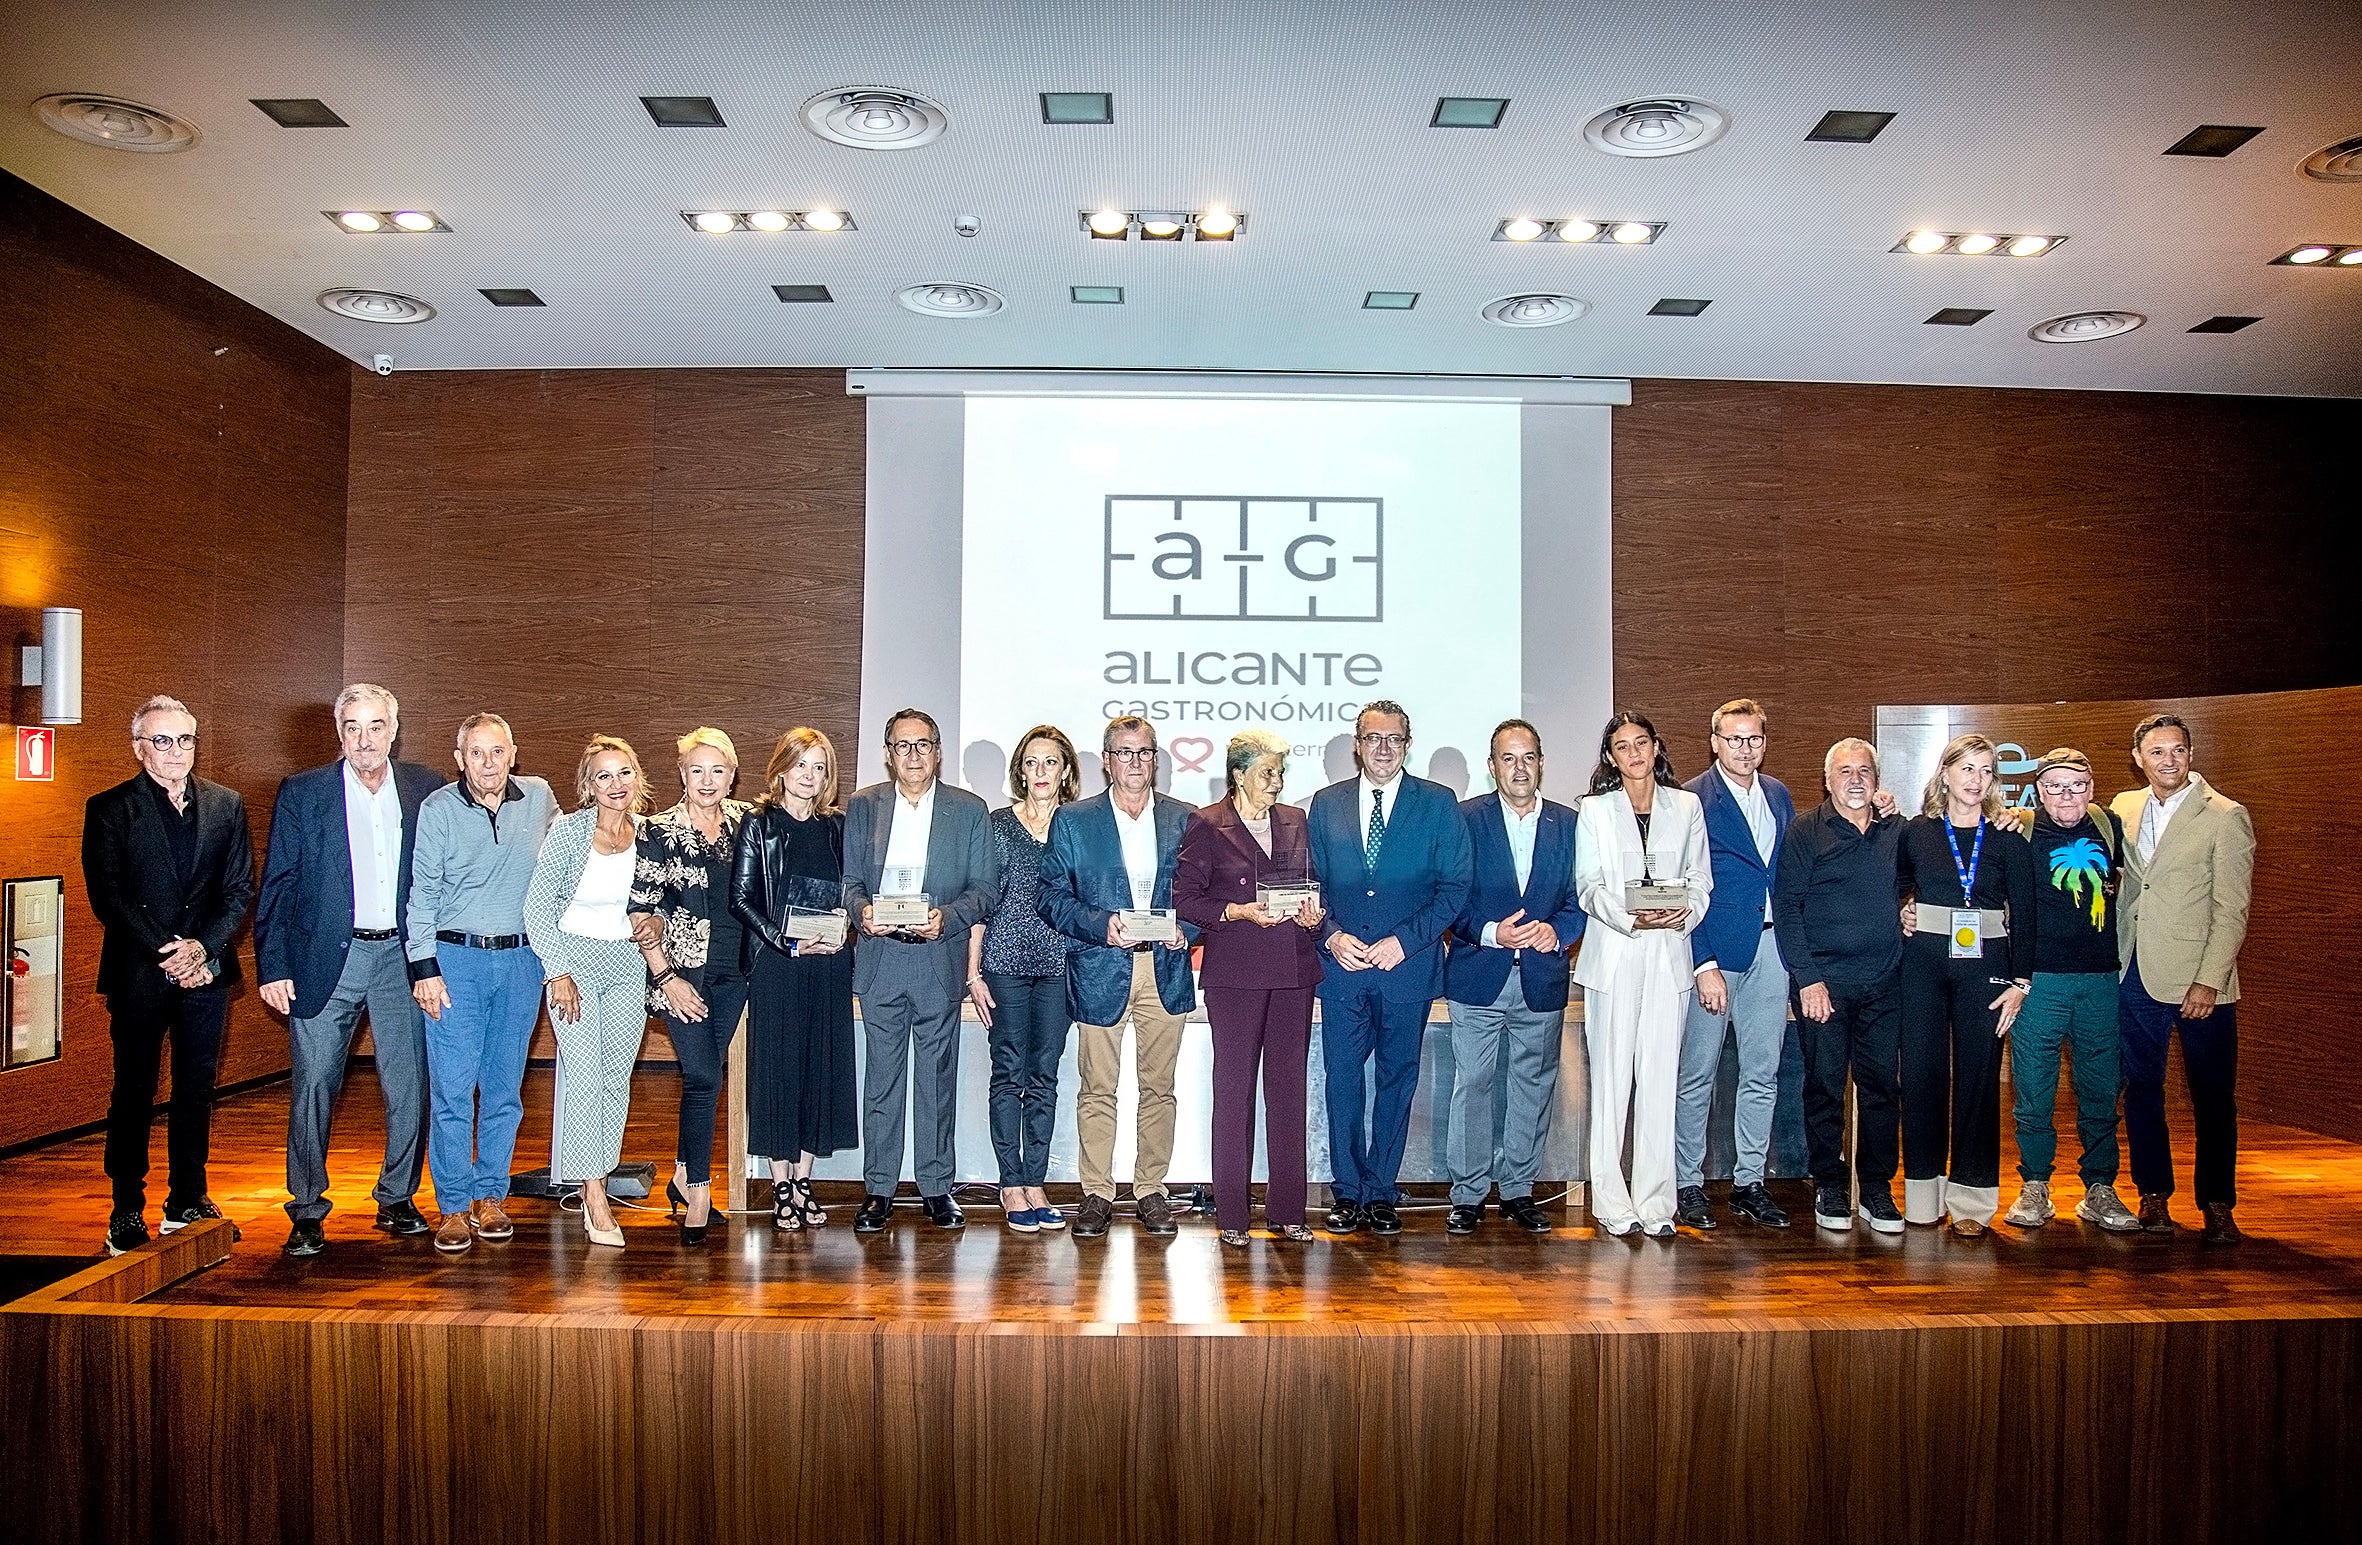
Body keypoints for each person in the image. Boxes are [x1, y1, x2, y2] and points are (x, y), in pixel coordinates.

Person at [254, 683, 444, 1256]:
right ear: (339, 734)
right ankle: (306, 1208)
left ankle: (397, 1197)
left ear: (394, 730)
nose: (365, 739)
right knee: (314, 1083)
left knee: (409, 1084)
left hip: (400, 959)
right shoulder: (303, 792)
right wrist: (273, 964)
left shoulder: (425, 788)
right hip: (323, 959)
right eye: (353, 728)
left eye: (376, 726)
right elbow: (278, 882)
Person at [81, 695, 254, 1256]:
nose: (176, 751)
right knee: (134, 1090)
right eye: (162, 740)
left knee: (196, 1089)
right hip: (139, 973)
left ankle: (186, 1199)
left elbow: (238, 891)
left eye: (185, 740)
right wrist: (170, 952)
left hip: (206, 973)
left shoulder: (226, 804)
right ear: (139, 749)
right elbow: (109, 898)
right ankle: (125, 1208)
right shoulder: (109, 809)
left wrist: (201, 949)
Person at [1307, 701, 1472, 1235]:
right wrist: (1331, 935)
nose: (1383, 748)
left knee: (1398, 1080)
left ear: (1408, 744)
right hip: (1342, 969)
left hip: (1408, 968)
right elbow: (1311, 886)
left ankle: (1380, 1190)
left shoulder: (1438, 803)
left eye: (1393, 739)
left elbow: (1455, 889)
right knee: (1342, 1081)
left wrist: (1405, 942)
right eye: (1373, 738)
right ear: (1358, 745)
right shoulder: (1325, 804)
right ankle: (1347, 1191)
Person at [1038, 716, 1201, 1237]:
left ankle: (1151, 1189)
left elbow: (1206, 894)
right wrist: (1101, 925)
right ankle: (1096, 1192)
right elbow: (1051, 897)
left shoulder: (1185, 819)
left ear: (1156, 760)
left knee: (1160, 1088)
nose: (1135, 762)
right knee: (1096, 1089)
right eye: (1124, 753)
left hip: (1165, 968)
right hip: (1100, 967)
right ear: (1106, 761)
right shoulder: (1073, 820)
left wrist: (1187, 930)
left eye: (1145, 752)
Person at [406, 713, 559, 1254]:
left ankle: (490, 1196)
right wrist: (423, 968)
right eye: (477, 752)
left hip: (521, 963)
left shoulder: (539, 798)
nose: (488, 763)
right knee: (452, 1090)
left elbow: (567, 867)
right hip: (455, 963)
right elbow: (422, 893)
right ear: (460, 759)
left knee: (503, 1090)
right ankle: (452, 1205)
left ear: (513, 754)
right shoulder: (438, 809)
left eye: (497, 752)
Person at [843, 709, 997, 1231]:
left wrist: (946, 919)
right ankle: (879, 1190)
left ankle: (936, 1187)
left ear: (938, 752)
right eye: (903, 745)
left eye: (923, 744)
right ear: (888, 753)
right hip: (882, 958)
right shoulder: (864, 805)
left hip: (937, 957)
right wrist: (862, 912)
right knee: (881, 1082)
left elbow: (984, 890)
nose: (913, 754)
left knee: (936, 1080)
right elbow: (849, 882)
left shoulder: (969, 810)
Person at [1172, 729, 1327, 1246]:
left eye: (1280, 772)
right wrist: (1237, 911)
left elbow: (1312, 886)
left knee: (1289, 1093)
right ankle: (1233, 1216)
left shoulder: (1295, 819)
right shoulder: (1207, 823)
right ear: (1238, 775)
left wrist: (1315, 916)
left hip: (1293, 972)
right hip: (1235, 974)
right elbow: (1185, 900)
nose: (1276, 782)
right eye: (1267, 773)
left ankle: (1289, 1211)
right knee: (1234, 1094)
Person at [2109, 713, 2255, 1243]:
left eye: (2177, 750)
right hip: (2135, 972)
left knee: (2212, 1095)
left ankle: (2217, 1204)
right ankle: (2153, 1195)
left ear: (2190, 754)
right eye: (2157, 751)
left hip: (2201, 980)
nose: (2168, 760)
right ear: (2138, 758)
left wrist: (2209, 980)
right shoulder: (2123, 807)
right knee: (2141, 1090)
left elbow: (2232, 908)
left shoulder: (2226, 815)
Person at [1440, 719, 1585, 1235]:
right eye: (1508, 758)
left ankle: (1519, 1190)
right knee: (1472, 1085)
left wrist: (1557, 931)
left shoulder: (1571, 824)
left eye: (1528, 757)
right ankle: (1468, 1194)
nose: (1519, 768)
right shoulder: (1464, 820)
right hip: (1478, 975)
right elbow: (1448, 897)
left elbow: (1582, 897)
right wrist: (1489, 932)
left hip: (1542, 978)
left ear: (1541, 763)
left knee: (1533, 1086)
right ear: (1492, 766)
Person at [1572, 711, 1711, 1238]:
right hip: (1615, 953)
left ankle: (1656, 1204)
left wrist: (1684, 912)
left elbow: (1701, 878)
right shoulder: (1594, 810)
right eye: (1622, 746)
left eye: (1641, 743)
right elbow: (1588, 885)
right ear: (1611, 758)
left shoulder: (1687, 806)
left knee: (1659, 1082)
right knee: (1610, 1083)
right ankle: (1612, 1202)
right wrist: (1632, 917)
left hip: (1669, 954)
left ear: (1656, 748)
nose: (1633, 753)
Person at [1999, 748, 2143, 1233]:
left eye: (2077, 785)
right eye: (2056, 786)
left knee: (2101, 1090)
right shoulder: (2018, 830)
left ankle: (2100, 1187)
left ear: (2091, 788)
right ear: (2039, 791)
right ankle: (2035, 1185)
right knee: (2033, 1091)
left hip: (2100, 981)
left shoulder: (2108, 826)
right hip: (2038, 982)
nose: (2067, 796)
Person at [1897, 734, 2035, 1236]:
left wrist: (2021, 981)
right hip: (1923, 967)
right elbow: (1896, 887)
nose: (1977, 780)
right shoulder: (1917, 832)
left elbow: (2028, 913)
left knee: (1978, 1079)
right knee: (1921, 1076)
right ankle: (1922, 1196)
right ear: (1946, 774)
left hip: (1987, 968)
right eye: (1967, 769)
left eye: (1986, 770)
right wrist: (1903, 910)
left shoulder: (2007, 837)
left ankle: (1972, 1204)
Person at [1771, 739, 1907, 1234]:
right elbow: (1787, 908)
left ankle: (1876, 1188)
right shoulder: (1805, 830)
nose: (1855, 779)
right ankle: (1829, 1183)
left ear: (1877, 780)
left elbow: (1917, 882)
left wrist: (1910, 909)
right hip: (1823, 987)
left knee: (1882, 1089)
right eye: (1844, 771)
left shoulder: (1896, 830)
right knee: (1825, 1087)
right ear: (1827, 780)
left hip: (1885, 984)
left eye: (1864, 771)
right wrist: (1808, 979)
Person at [522, 737, 653, 1249]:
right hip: (572, 962)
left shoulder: (650, 834)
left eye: (624, 773)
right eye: (604, 776)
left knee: (616, 1077)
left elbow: (660, 901)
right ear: (588, 785)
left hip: (627, 963)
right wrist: (557, 972)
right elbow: (537, 908)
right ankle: (593, 1194)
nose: (616, 784)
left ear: (637, 777)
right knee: (584, 1075)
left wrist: (657, 924)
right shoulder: (569, 832)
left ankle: (596, 1171)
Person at [729, 727, 860, 1233]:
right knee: (779, 1070)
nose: (809, 776)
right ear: (781, 769)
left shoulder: (837, 827)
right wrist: (786, 942)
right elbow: (741, 900)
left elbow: (851, 892)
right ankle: (780, 1182)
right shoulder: (758, 824)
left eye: (819, 767)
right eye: (801, 765)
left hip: (828, 965)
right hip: (779, 964)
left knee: (818, 1069)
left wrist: (845, 928)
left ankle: (804, 1179)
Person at [1676, 698, 1799, 1231]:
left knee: (1762, 1073)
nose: (1745, 749)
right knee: (1697, 1073)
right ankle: (1687, 1183)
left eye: (1754, 739)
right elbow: (1685, 887)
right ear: (1715, 743)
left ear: (1764, 743)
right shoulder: (1691, 799)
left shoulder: (1778, 794)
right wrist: (1701, 960)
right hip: (1716, 955)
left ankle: (1750, 1182)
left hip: (1772, 950)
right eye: (1734, 739)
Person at [628, 728, 751, 1245]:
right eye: (697, 770)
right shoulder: (658, 830)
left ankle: (682, 1173)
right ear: (681, 774)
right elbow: (641, 910)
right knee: (702, 1076)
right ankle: (699, 1189)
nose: (707, 780)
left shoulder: (748, 821)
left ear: (732, 775)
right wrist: (666, 978)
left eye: (717, 770)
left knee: (707, 1076)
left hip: (737, 973)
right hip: (682, 976)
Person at [967, 726, 1080, 1233]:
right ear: (1020, 770)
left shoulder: (1077, 825)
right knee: (1008, 1073)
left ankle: (1035, 1182)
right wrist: (973, 973)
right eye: (1031, 762)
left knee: (1045, 1077)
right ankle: (1010, 1183)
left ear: (1065, 770)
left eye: (1050, 762)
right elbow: (981, 903)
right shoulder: (997, 824)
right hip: (1005, 965)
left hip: (1059, 966)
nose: (1040, 772)